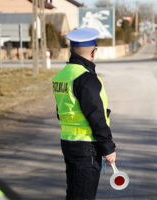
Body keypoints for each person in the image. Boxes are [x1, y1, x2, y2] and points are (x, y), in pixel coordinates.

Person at [52, 28, 116, 200]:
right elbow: (96, 116)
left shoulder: (62, 76)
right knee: (84, 195)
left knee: (74, 192)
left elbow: (62, 110)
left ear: (71, 50)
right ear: (93, 52)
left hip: (68, 142)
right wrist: (108, 147)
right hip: (87, 146)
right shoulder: (87, 78)